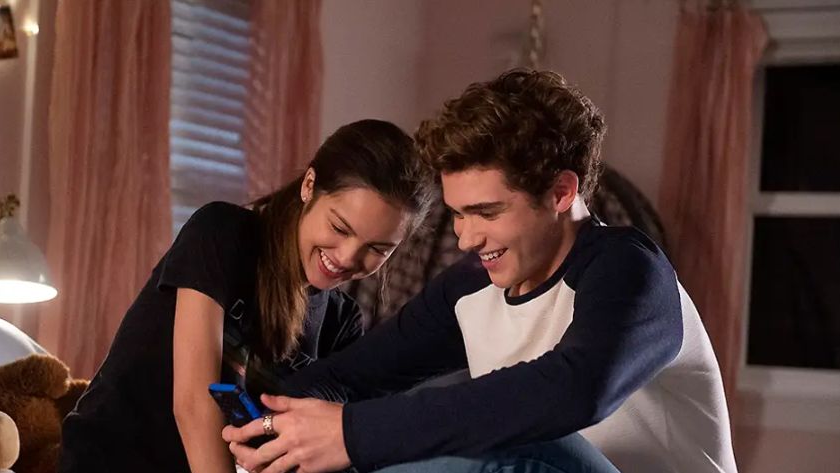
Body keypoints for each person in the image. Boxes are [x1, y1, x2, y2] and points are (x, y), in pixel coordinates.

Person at [223, 70, 738, 473]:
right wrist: (260, 420)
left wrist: (352, 434)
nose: (467, 239)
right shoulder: (472, 287)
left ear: (561, 192)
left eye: (487, 213)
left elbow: (573, 390)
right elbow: (349, 377)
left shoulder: (629, 270)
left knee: (518, 446)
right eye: (457, 214)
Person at [58, 119, 435, 473]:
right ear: (309, 185)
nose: (348, 257)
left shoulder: (341, 321)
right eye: (339, 227)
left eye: (377, 249)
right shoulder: (221, 233)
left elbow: (308, 448)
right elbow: (194, 403)